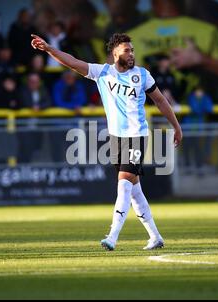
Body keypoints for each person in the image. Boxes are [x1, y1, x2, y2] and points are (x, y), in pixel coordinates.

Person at [31, 32, 183, 250]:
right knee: (134, 190)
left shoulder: (143, 75)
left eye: (132, 50)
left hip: (137, 135)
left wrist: (176, 126)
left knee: (123, 184)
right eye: (127, 50)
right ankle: (155, 236)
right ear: (115, 54)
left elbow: (160, 100)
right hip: (116, 138)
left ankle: (112, 236)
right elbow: (72, 62)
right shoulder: (102, 72)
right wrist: (48, 49)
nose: (132, 54)